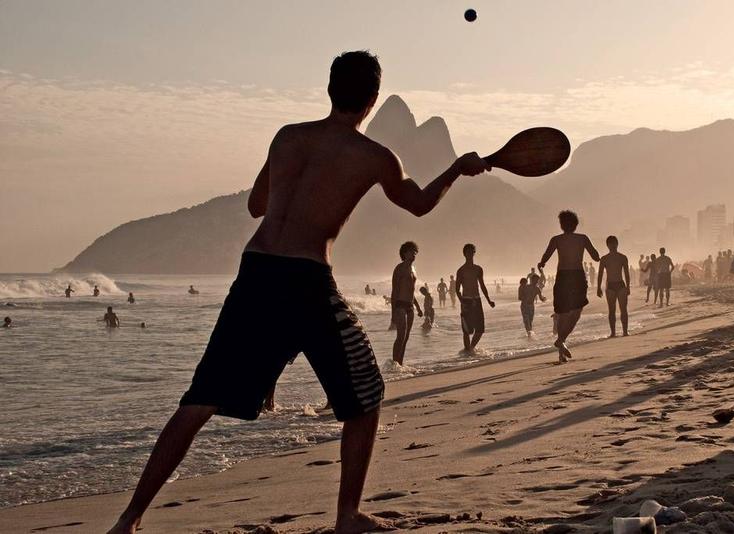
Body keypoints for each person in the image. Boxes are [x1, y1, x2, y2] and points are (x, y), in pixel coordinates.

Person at [106, 50, 490, 534]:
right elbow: (417, 204)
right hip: (307, 279)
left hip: (256, 271)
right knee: (367, 394)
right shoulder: (375, 157)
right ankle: (348, 515)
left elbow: (254, 205)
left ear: (329, 90)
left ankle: (128, 518)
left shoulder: (287, 137)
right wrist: (456, 168)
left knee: (198, 401)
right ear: (372, 100)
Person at [538, 210, 600, 363]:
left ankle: (561, 347)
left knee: (563, 313)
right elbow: (596, 256)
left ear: (561, 225)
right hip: (577, 277)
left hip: (563, 277)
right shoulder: (582, 238)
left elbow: (545, 257)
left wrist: (542, 264)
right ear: (576, 224)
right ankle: (561, 341)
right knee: (576, 313)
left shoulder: (557, 239)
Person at [456, 243, 495, 352]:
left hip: (477, 300)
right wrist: (462, 302)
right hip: (466, 300)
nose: (470, 254)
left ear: (474, 253)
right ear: (464, 254)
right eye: (468, 252)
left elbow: (482, 286)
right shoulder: (461, 270)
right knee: (466, 330)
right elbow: (457, 289)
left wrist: (489, 300)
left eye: (472, 252)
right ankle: (467, 351)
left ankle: (470, 349)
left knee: (480, 329)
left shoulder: (478, 269)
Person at [391, 241, 424, 365]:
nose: (414, 254)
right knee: (400, 337)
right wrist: (392, 314)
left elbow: (411, 290)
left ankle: (400, 363)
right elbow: (394, 291)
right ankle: (394, 365)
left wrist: (418, 307)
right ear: (405, 253)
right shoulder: (399, 268)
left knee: (406, 338)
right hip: (400, 305)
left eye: (415, 252)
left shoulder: (413, 269)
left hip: (410, 306)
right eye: (411, 251)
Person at [597, 236, 630, 337]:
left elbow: (626, 273)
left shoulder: (623, 257)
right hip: (611, 286)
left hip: (620, 284)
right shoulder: (604, 259)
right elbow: (600, 274)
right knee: (612, 310)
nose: (613, 246)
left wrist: (628, 286)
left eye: (614, 244)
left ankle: (625, 331)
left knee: (623, 309)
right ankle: (613, 332)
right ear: (608, 245)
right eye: (611, 244)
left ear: (617, 244)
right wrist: (598, 287)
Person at [518, 271, 546, 337]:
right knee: (526, 320)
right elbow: (520, 297)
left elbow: (541, 298)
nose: (536, 282)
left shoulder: (537, 289)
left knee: (530, 320)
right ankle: (529, 333)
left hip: (531, 306)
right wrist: (524, 297)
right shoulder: (526, 287)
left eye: (537, 281)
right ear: (532, 280)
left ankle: (529, 333)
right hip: (524, 305)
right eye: (535, 280)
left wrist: (544, 299)